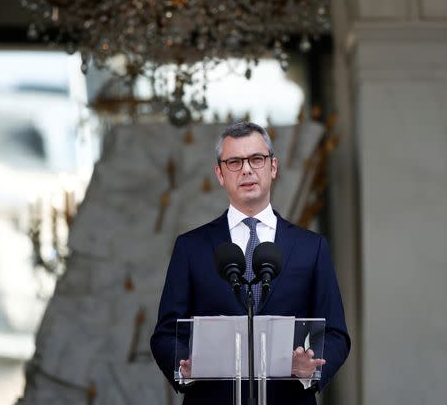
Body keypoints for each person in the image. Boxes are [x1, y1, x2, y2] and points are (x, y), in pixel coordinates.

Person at [150, 121, 350, 404]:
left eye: (256, 159)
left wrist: (312, 368)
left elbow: (336, 334)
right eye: (234, 162)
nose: (246, 169)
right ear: (219, 174)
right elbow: (166, 333)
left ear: (273, 167)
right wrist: (185, 365)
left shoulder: (311, 247)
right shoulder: (191, 247)